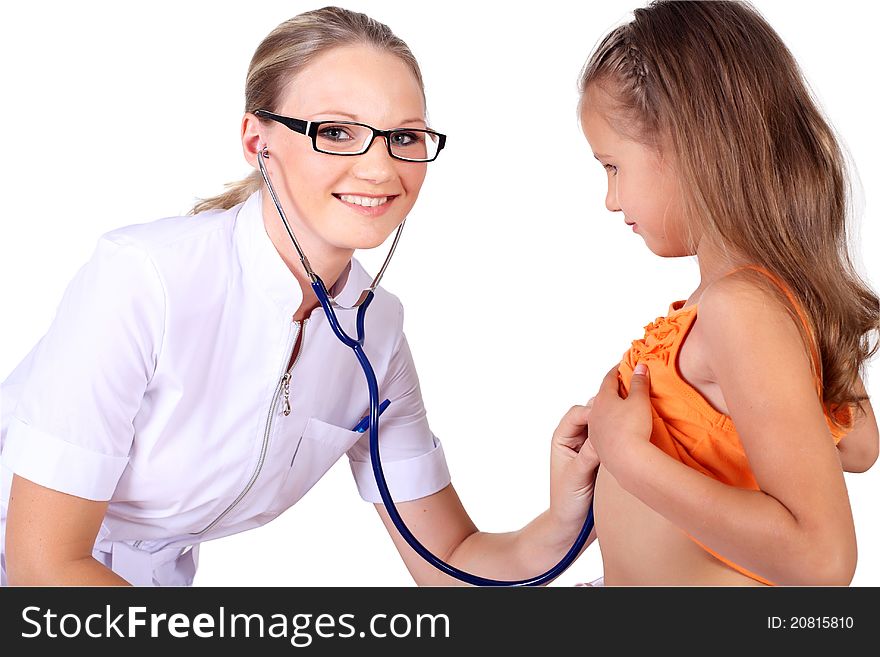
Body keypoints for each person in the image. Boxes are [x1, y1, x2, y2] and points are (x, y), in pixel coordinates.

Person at [0, 6, 598, 586]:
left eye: (405, 137)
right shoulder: (142, 279)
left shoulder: (376, 333)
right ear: (256, 139)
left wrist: (566, 519)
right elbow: (42, 565)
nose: (379, 168)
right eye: (336, 132)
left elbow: (450, 563)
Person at [575, 0, 879, 586]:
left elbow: (822, 562)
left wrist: (631, 459)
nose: (611, 200)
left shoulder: (741, 309)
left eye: (613, 166)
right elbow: (856, 444)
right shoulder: (762, 295)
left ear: (692, 151)